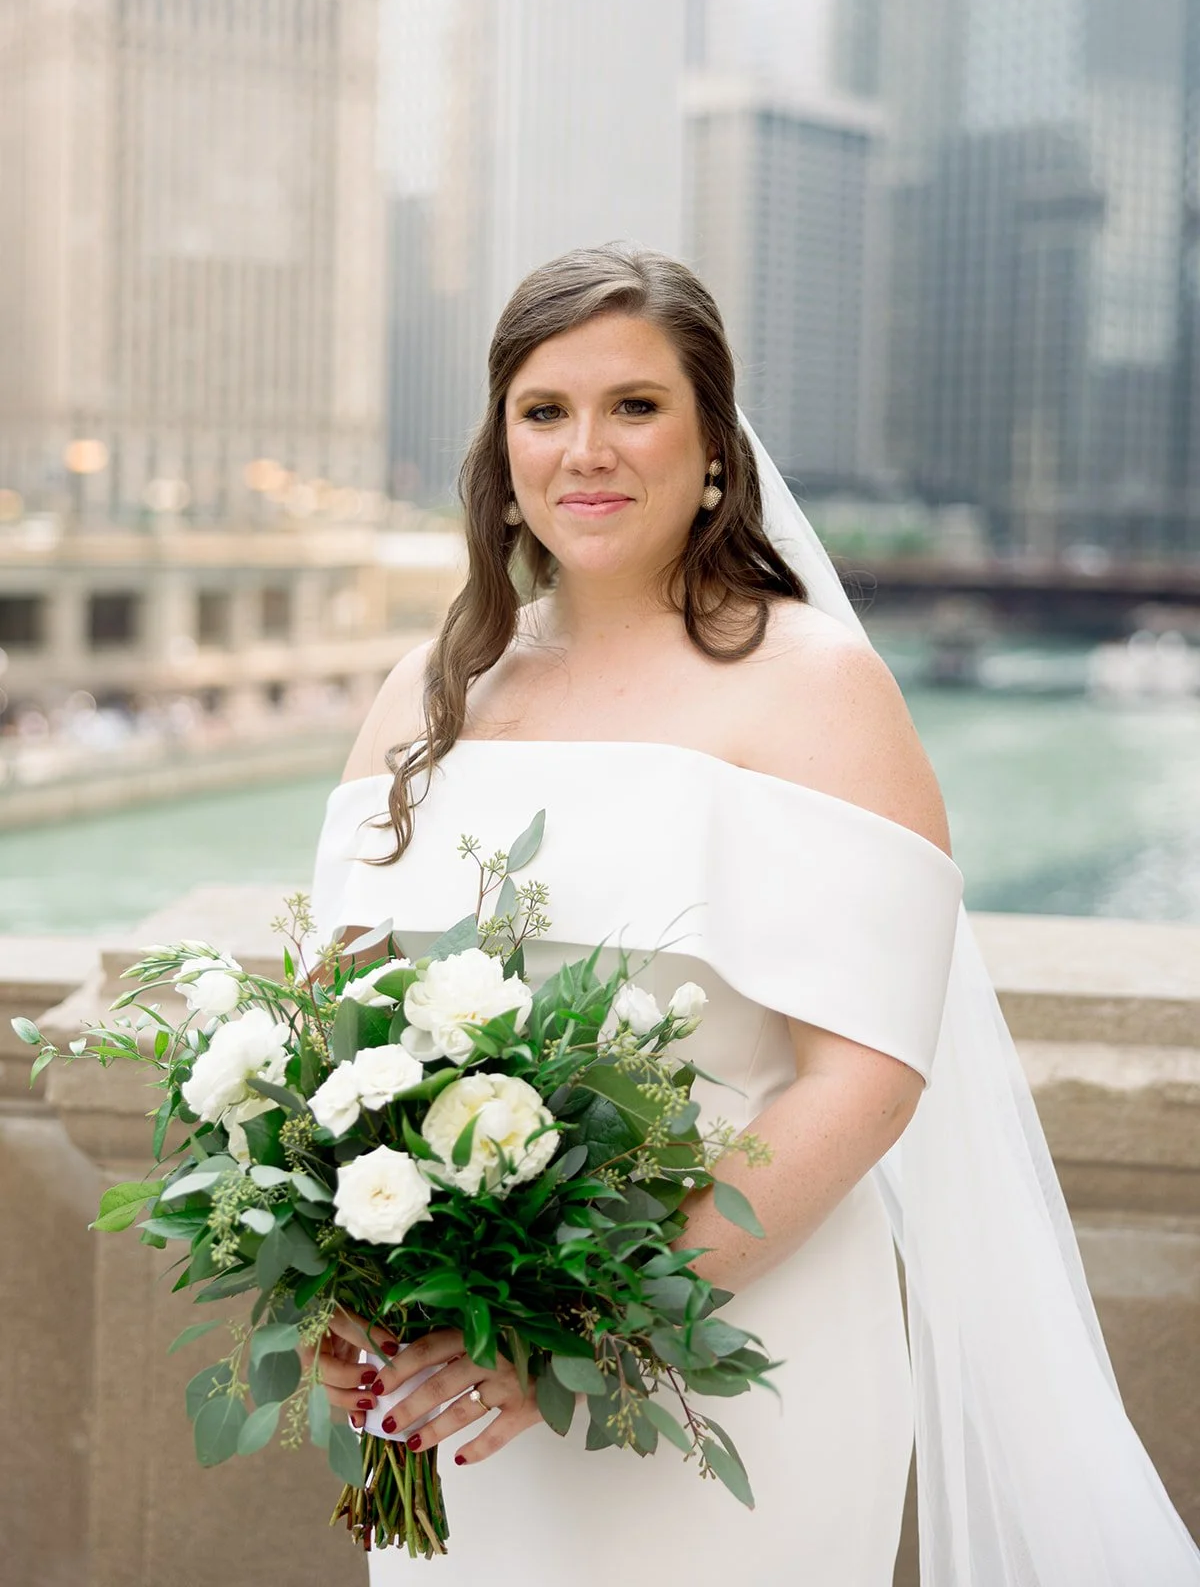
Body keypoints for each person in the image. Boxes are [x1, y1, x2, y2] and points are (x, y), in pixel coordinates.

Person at [308, 244, 1200, 1585]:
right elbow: (341, 1030)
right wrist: (350, 1282)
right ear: (502, 448)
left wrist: (572, 1334)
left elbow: (867, 1080)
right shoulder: (432, 687)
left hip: (724, 1365)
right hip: (453, 1385)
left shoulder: (818, 686)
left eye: (637, 406)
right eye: (544, 411)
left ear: (714, 443)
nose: (586, 450)